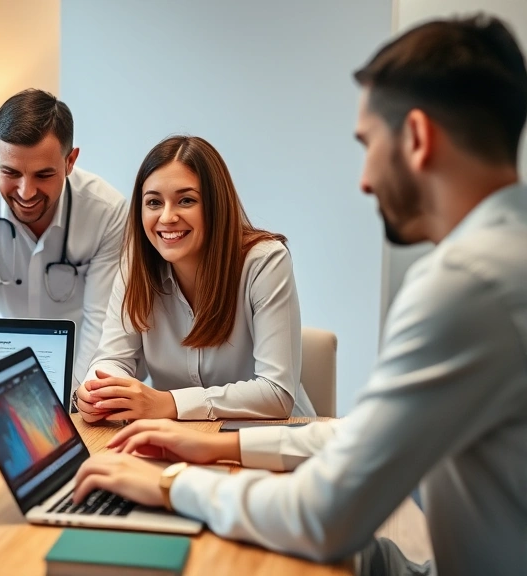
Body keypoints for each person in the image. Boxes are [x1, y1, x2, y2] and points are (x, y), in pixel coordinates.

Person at [72, 15, 527, 575]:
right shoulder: (505, 260)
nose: (363, 178)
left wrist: (171, 483)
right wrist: (218, 448)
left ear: (415, 137)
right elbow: (358, 438)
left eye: (367, 144)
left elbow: (324, 516)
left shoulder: (465, 285)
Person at [75, 136, 315, 423]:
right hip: (182, 442)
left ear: (216, 206)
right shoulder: (134, 267)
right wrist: (97, 389)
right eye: (153, 202)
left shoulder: (264, 262)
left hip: (271, 441)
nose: (166, 217)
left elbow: (276, 393)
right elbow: (114, 358)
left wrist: (169, 403)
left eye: (185, 200)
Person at [0, 89, 128, 388]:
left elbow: (99, 324)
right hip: (1, 371)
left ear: (70, 161)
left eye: (43, 175)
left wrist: (74, 399)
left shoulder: (106, 211)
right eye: (11, 172)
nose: (26, 192)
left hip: (80, 372)